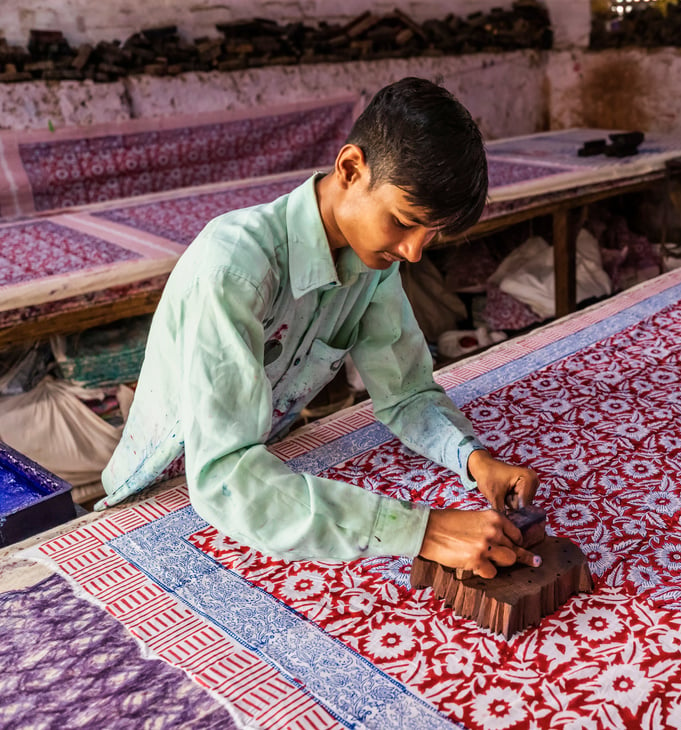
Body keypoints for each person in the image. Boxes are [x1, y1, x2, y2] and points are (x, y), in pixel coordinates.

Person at [98, 77, 539, 578]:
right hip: (165, 495)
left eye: (430, 234)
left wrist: (474, 460)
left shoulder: (373, 266)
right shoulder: (235, 269)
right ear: (351, 169)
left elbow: (406, 393)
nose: (415, 251)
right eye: (402, 220)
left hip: (261, 474)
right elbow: (221, 476)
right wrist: (423, 530)